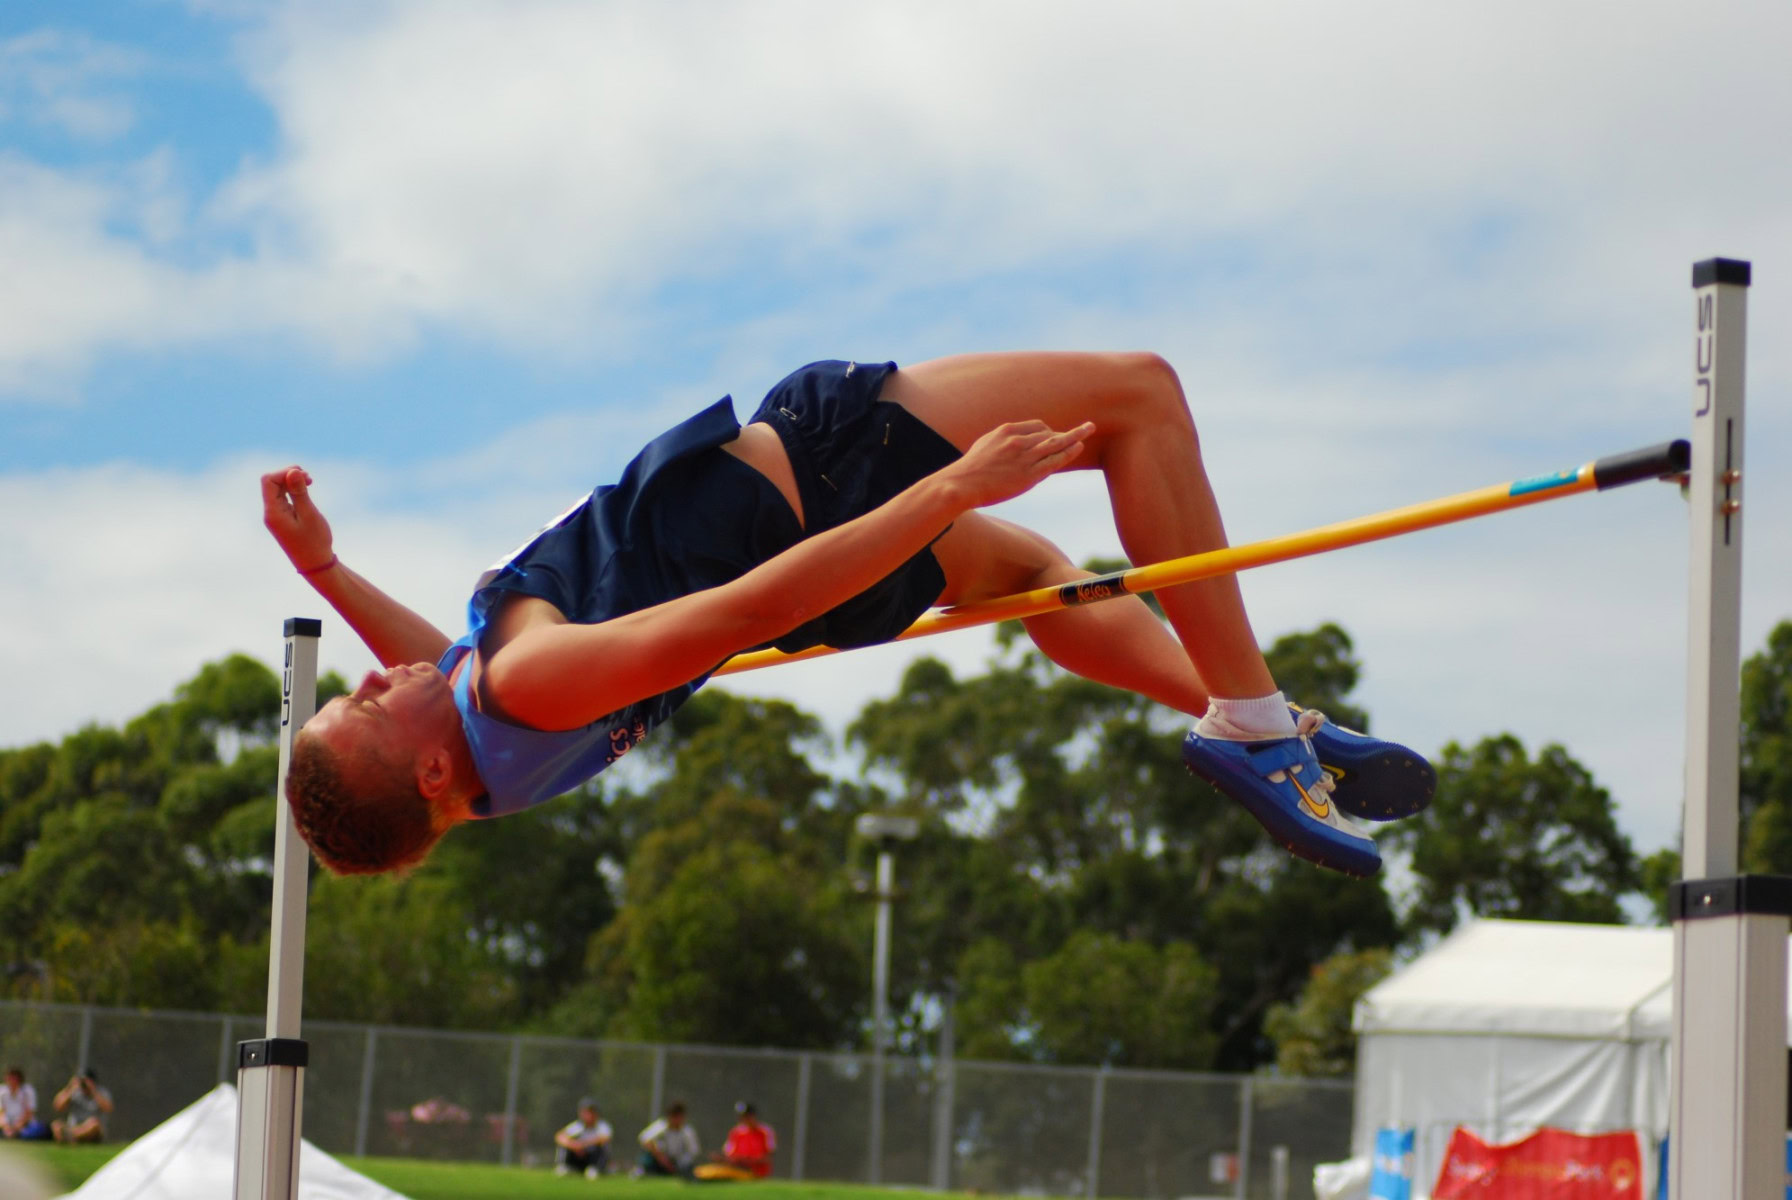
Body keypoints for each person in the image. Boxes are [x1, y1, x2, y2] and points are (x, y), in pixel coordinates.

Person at [261, 355, 1434, 881]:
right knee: (1140, 398)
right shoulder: (529, 685)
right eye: (360, 708)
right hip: (824, 484)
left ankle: (1268, 717)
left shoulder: (490, 766)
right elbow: (744, 607)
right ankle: (1250, 720)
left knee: (1023, 573)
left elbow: (443, 684)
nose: (367, 680)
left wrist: (330, 573)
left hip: (835, 560)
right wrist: (948, 486)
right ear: (421, 771)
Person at [637, 1101, 700, 1177]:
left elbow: (693, 1151)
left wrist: (681, 1163)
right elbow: (644, 1138)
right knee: (647, 1159)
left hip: (677, 1161)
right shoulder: (661, 1126)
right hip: (659, 1160)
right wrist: (660, 1157)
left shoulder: (687, 1131)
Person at [554, 1097, 612, 1179]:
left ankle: (595, 1169)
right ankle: (563, 1167)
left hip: (592, 1156)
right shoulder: (577, 1126)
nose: (588, 1115)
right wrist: (574, 1145)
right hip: (579, 1156)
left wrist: (583, 1145)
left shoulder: (602, 1126)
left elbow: (604, 1138)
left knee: (604, 1146)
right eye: (585, 1112)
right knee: (563, 1146)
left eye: (590, 1112)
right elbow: (559, 1136)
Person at [715, 1101, 776, 1178]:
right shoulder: (736, 1132)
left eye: (746, 1116)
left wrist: (744, 1161)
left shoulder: (765, 1132)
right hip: (737, 1172)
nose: (743, 1119)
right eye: (741, 1117)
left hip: (758, 1174)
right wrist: (722, 1159)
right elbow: (728, 1154)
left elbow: (768, 1158)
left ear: (753, 1116)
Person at [50, 1069, 111, 1144]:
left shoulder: (101, 1092)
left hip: (91, 1131)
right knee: (56, 1125)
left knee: (94, 1124)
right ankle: (73, 1137)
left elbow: (108, 1109)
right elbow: (58, 1106)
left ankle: (70, 1137)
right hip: (73, 1127)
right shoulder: (75, 1092)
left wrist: (93, 1091)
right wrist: (70, 1088)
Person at [0, 1068, 48, 1141]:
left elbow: (29, 1114)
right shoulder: (2, 1091)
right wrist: (6, 1127)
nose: (12, 1080)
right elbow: (1, 1113)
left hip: (25, 1126)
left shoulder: (28, 1091)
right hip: (6, 1127)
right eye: (10, 1078)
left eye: (14, 1078)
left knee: (38, 1129)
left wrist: (16, 1128)